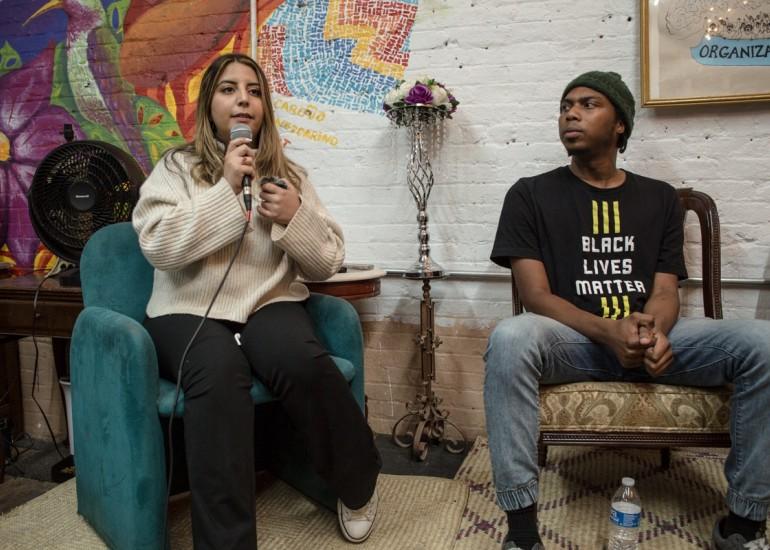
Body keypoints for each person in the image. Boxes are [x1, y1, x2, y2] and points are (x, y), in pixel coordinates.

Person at [485, 70, 770, 550]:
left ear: (620, 124)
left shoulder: (659, 197)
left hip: (647, 336)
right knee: (510, 337)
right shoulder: (529, 194)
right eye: (565, 105)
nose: (571, 114)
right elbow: (536, 296)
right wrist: (608, 331)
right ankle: (522, 531)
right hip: (573, 342)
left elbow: (665, 290)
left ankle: (743, 525)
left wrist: (653, 333)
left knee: (763, 342)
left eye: (588, 104)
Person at [132, 52, 381, 549]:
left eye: (253, 91)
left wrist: (294, 214)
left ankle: (357, 486)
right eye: (228, 89)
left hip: (268, 302)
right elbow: (158, 246)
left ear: (264, 107)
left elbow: (326, 262)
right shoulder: (176, 168)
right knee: (218, 371)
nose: (242, 99)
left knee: (301, 360)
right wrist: (226, 187)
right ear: (209, 105)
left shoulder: (291, 174)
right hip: (186, 308)